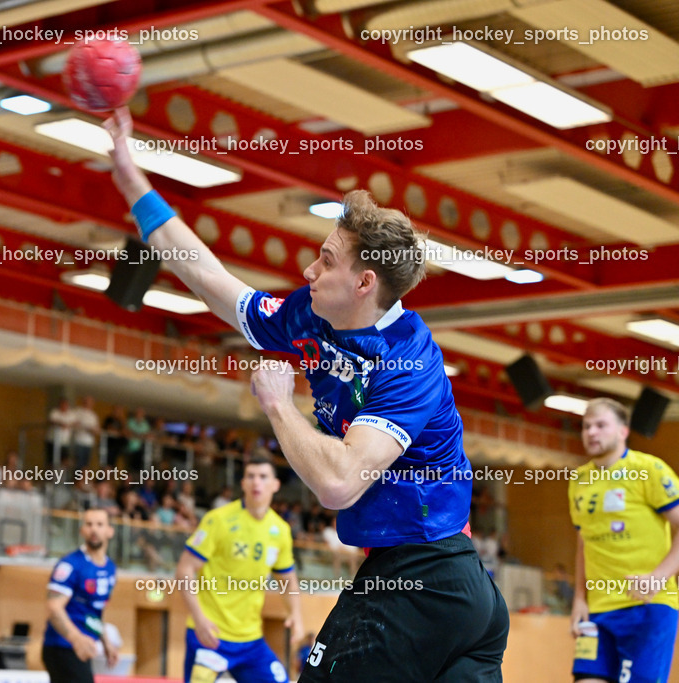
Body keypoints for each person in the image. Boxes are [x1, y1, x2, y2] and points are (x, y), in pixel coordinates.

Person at [105, 107, 508, 680]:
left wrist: (277, 403)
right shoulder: (311, 313)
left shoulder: (408, 362)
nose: (308, 268)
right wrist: (130, 178)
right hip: (434, 585)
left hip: (428, 578)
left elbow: (340, 482)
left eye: (325, 259)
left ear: (365, 283)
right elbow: (214, 282)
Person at [569, 398, 679, 683]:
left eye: (601, 425)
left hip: (647, 608)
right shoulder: (579, 480)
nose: (591, 432)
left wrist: (658, 577)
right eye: (586, 426)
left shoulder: (649, 470)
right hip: (598, 611)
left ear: (623, 431)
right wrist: (580, 598)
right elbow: (584, 541)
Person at [177, 455, 303, 682]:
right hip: (209, 635)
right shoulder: (219, 520)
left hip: (250, 641)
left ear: (275, 485)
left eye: (263, 477)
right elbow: (185, 570)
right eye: (251, 476)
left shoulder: (280, 530)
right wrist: (199, 618)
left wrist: (296, 614)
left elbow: (287, 579)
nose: (257, 483)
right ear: (242, 483)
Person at [43, 507, 118, 683]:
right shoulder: (71, 565)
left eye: (100, 524)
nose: (94, 529)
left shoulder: (110, 568)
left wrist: (105, 641)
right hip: (62, 647)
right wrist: (76, 639)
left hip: (84, 648)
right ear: (82, 530)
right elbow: (53, 607)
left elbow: (95, 611)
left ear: (110, 531)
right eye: (89, 524)